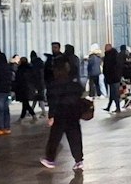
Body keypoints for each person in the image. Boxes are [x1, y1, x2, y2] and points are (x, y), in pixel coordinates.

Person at [41, 44, 86, 172]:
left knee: (54, 138)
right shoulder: (73, 83)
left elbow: (53, 100)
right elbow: (79, 92)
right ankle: (79, 160)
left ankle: (50, 159)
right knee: (75, 137)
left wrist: (51, 116)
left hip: (61, 114)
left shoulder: (54, 84)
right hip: (73, 113)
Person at [15, 51, 42, 121]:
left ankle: (31, 115)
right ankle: (23, 117)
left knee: (25, 103)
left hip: (23, 89)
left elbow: (19, 80)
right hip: (29, 88)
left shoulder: (20, 70)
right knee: (25, 103)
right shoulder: (30, 69)